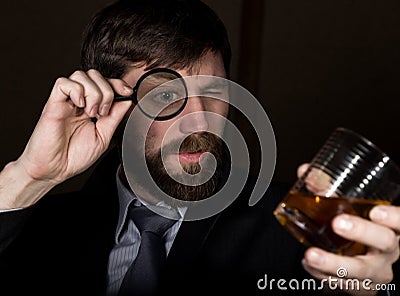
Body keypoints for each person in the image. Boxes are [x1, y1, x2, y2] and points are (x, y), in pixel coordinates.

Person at [0, 0, 399, 295]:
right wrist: (27, 178)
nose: (200, 122)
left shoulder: (294, 234)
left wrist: (370, 287)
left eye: (214, 92)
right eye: (166, 96)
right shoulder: (39, 228)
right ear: (110, 103)